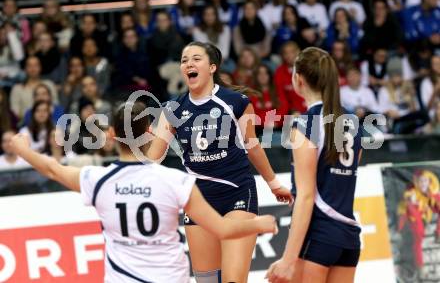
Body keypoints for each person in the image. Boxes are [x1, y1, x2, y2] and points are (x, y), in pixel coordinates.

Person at [9, 100, 278, 283]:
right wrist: (260, 223)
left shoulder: (98, 179)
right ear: (150, 133)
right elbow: (221, 229)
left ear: (112, 134)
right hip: (169, 277)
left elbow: (52, 169)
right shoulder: (174, 181)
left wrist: (22, 150)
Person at [148, 41, 292, 282]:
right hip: (197, 200)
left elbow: (253, 146)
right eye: (184, 60)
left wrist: (273, 183)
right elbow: (153, 158)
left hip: (236, 192)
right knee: (207, 280)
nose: (188, 64)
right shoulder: (172, 109)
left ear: (212, 67)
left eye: (196, 59)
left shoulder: (235, 102)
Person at [266, 47, 362, 283]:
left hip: (319, 235)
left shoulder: (305, 125)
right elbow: (345, 176)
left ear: (298, 80)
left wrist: (288, 259)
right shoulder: (353, 121)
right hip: (348, 237)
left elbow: (306, 196)